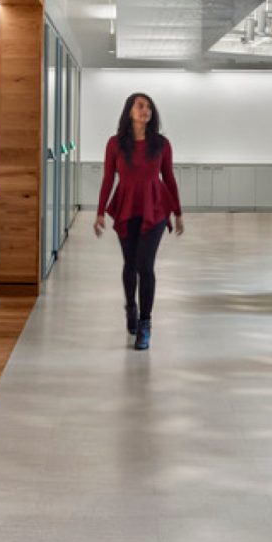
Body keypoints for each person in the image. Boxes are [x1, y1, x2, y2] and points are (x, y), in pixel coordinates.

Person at [92, 92, 183, 350]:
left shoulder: (161, 144)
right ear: (129, 111)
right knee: (130, 264)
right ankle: (131, 306)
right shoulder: (115, 144)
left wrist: (178, 212)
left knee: (145, 265)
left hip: (154, 209)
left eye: (149, 108)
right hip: (127, 207)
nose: (146, 111)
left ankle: (145, 323)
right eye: (141, 106)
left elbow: (169, 177)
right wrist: (100, 212)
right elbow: (108, 178)